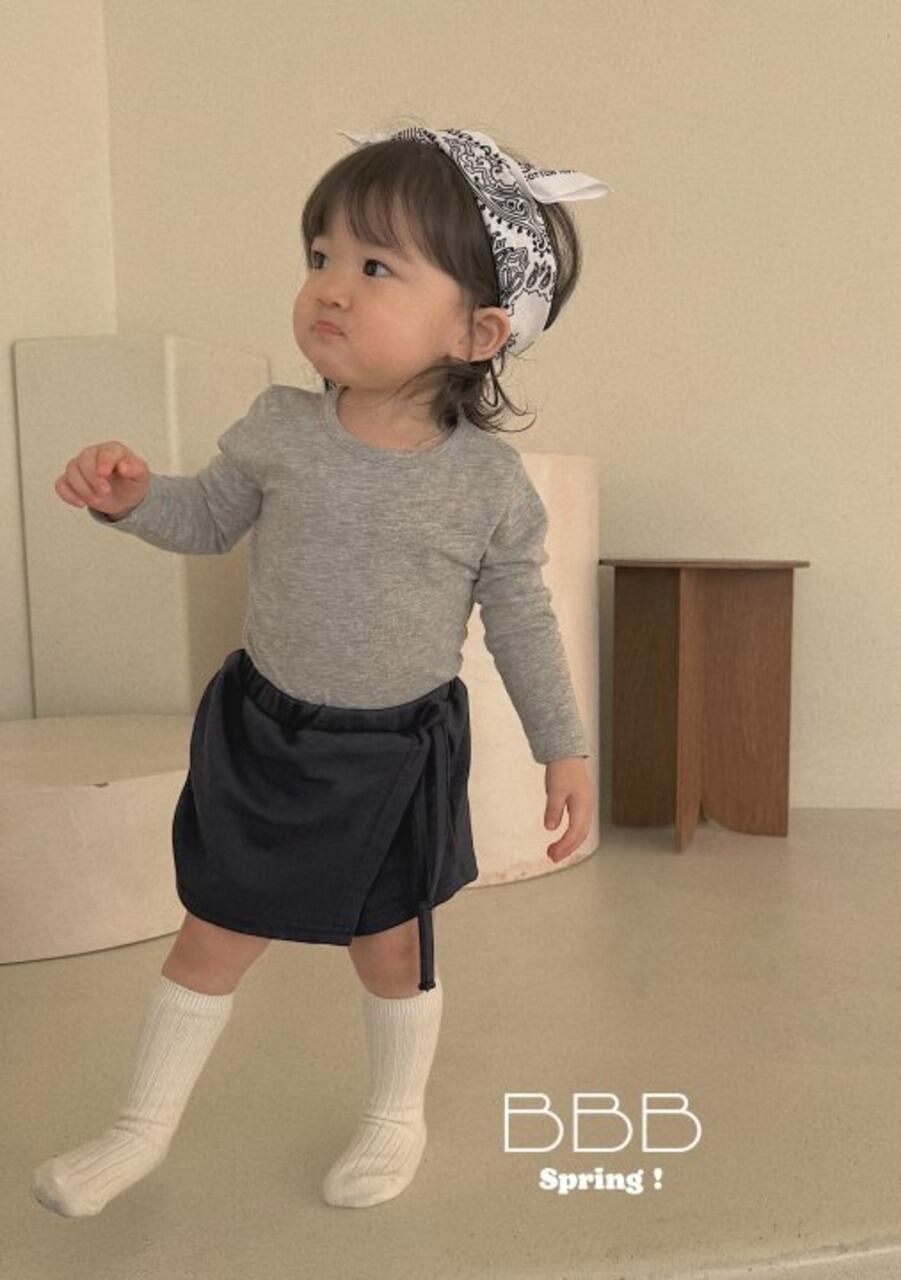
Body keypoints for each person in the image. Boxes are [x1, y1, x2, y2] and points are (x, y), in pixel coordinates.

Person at [31, 123, 610, 1217]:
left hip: (392, 755)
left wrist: (563, 748)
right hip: (264, 733)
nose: (330, 287)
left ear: (479, 329)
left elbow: (523, 623)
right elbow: (207, 518)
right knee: (215, 927)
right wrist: (132, 496)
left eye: (376, 266)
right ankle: (138, 1127)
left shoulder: (485, 485)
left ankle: (395, 1113)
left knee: (388, 945)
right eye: (319, 256)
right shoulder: (279, 428)